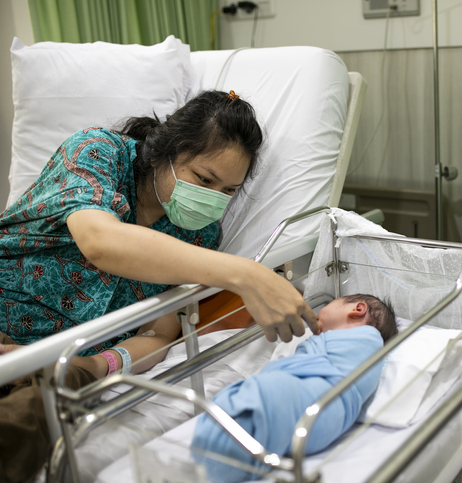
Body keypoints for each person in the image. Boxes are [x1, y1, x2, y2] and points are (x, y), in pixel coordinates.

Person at [0, 90, 318, 483]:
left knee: (24, 425)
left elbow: (159, 332)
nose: (211, 201)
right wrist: (245, 273)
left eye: (228, 192)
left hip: (66, 367)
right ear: (163, 153)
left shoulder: (199, 236)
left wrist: (98, 365)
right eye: (204, 179)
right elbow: (100, 241)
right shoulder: (98, 152)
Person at [191, 294, 397, 482]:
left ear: (357, 310)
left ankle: (219, 458)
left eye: (330, 304)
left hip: (329, 395)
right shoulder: (342, 344)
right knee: (268, 404)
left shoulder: (369, 339)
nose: (316, 318)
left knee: (264, 393)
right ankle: (233, 453)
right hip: (324, 422)